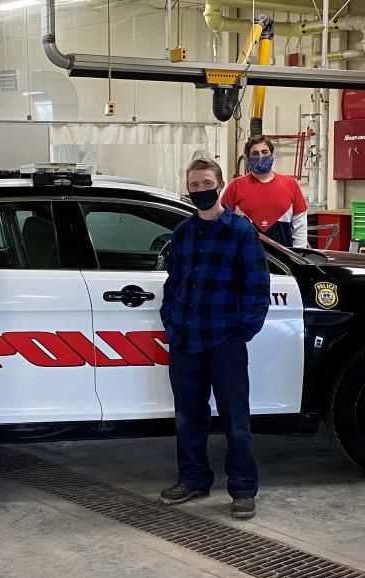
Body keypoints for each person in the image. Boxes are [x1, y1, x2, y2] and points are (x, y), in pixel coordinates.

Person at [159, 158, 270, 519]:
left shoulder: (241, 231)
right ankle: (193, 480)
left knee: (235, 418)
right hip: (186, 339)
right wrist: (170, 322)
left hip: (225, 339)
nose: (201, 190)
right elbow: (173, 283)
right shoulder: (183, 233)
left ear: (220, 184)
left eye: (207, 183)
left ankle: (242, 488)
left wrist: (243, 330)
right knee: (188, 416)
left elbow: (257, 286)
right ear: (188, 189)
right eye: (194, 185)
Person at [222, 136, 308, 248]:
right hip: (244, 258)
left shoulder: (291, 184)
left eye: (264, 152)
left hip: (282, 261)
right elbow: (222, 223)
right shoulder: (235, 186)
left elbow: (300, 226)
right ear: (247, 159)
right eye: (255, 154)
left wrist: (299, 257)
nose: (260, 157)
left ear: (272, 155)